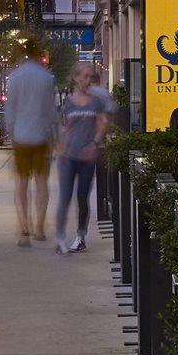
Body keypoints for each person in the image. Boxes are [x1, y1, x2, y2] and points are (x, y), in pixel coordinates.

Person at [3, 36, 57, 247]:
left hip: (21, 136)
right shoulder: (46, 78)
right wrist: (55, 133)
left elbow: (10, 110)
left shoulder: (14, 77)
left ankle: (24, 228)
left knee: (21, 185)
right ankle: (40, 227)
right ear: (38, 55)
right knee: (42, 183)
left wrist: (11, 132)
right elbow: (51, 110)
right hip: (41, 136)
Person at [55, 62, 112, 254]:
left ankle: (80, 236)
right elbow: (66, 127)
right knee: (64, 197)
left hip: (87, 156)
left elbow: (102, 124)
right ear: (76, 78)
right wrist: (61, 148)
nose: (87, 81)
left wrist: (94, 144)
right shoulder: (69, 101)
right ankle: (60, 237)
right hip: (69, 155)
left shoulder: (97, 102)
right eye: (84, 77)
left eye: (90, 77)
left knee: (82, 197)